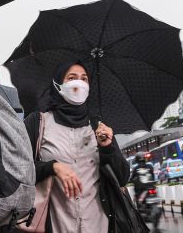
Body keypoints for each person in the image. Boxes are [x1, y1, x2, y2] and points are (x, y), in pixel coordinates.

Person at [23, 62, 130, 233]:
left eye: (84, 79)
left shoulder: (98, 127)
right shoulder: (38, 122)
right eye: (72, 78)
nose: (79, 83)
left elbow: (123, 177)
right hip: (55, 225)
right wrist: (52, 167)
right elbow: (19, 170)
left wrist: (107, 148)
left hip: (98, 225)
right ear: (58, 85)